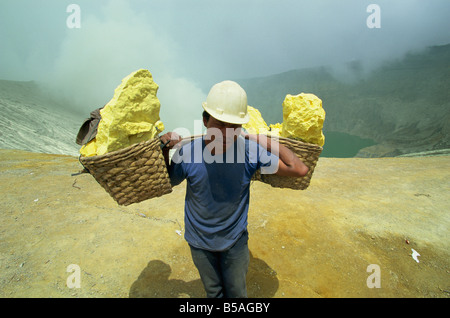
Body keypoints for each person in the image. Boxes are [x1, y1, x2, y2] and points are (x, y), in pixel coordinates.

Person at [160, 80, 308, 298]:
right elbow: (167, 182)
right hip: (199, 242)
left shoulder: (249, 152)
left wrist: (262, 140)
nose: (226, 133)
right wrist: (164, 148)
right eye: (219, 124)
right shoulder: (187, 152)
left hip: (235, 241)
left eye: (234, 127)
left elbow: (298, 169)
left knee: (237, 293)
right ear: (204, 120)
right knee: (214, 292)